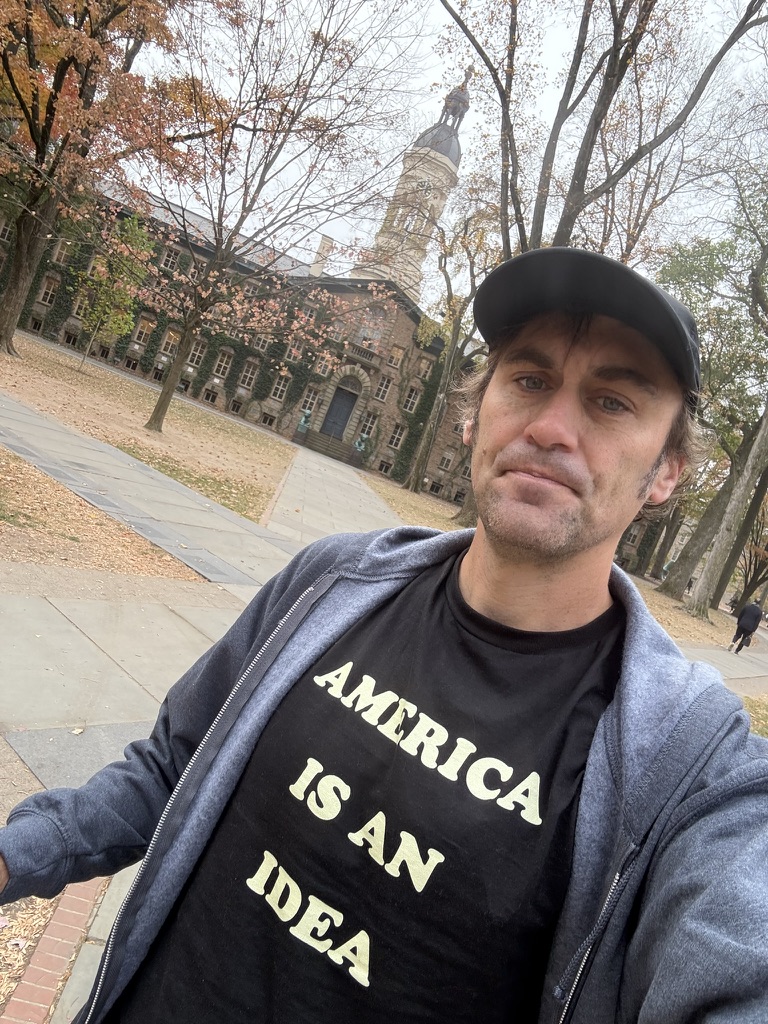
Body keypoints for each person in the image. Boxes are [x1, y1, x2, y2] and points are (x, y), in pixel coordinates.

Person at [2, 247, 768, 1024]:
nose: (549, 428)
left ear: (667, 470)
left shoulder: (691, 769)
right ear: (475, 412)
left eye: (611, 402)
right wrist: (17, 854)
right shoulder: (332, 582)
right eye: (530, 381)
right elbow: (173, 766)